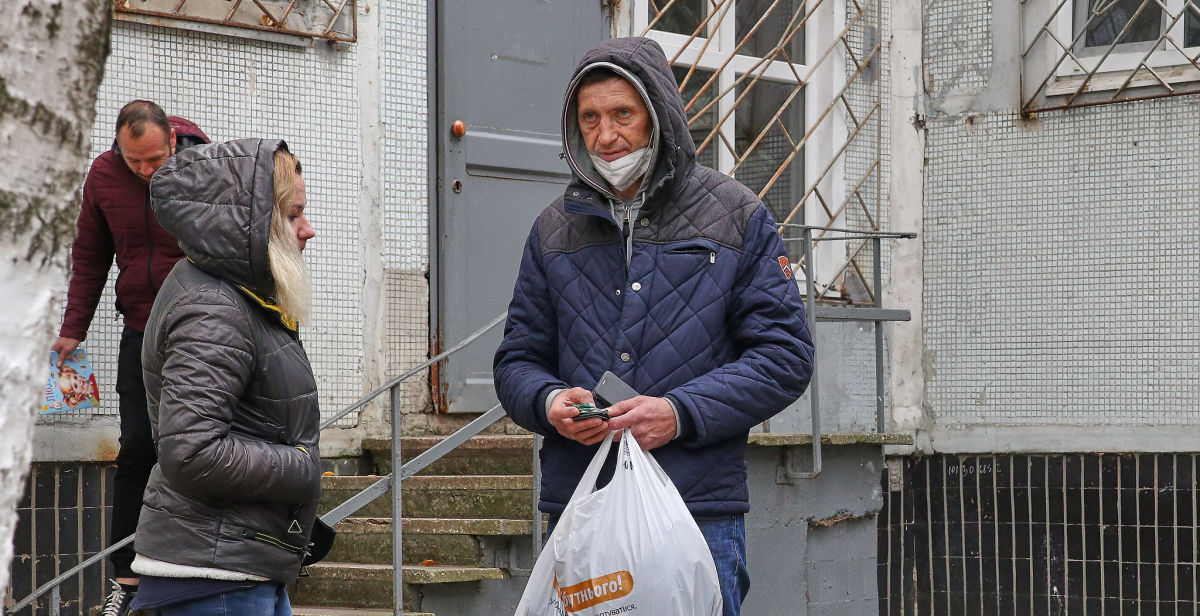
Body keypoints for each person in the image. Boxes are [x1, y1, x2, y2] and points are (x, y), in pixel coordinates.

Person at [493, 37, 815, 616]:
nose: (605, 136)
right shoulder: (553, 230)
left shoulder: (737, 215)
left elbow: (784, 357)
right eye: (589, 118)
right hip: (583, 509)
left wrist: (679, 413)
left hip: (695, 509)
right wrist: (547, 404)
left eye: (623, 114)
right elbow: (516, 360)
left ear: (659, 117)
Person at [126, 139, 320, 616]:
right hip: (215, 582)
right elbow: (191, 452)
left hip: (236, 569)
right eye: (294, 216)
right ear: (257, 223)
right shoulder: (214, 308)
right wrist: (301, 466)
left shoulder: (231, 296)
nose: (308, 230)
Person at [48, 100, 208, 614]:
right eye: (134, 160)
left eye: (155, 159)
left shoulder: (200, 166)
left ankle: (201, 566)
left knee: (194, 446)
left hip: (199, 330)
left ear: (172, 142)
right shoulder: (103, 176)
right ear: (119, 146)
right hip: (140, 330)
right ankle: (126, 577)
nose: (145, 171)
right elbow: (91, 255)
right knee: (137, 446)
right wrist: (72, 329)